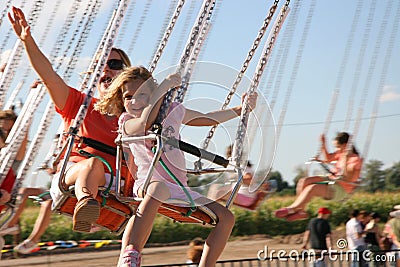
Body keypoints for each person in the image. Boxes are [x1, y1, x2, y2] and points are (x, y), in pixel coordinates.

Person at [94, 66, 257, 267]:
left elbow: (206, 119)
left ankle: (207, 264)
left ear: (153, 95)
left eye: (143, 94)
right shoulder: (127, 122)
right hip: (149, 184)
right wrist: (166, 86)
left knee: (227, 218)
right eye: (128, 97)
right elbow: (145, 123)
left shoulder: (171, 110)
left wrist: (240, 110)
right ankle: (130, 254)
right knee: (158, 188)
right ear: (121, 100)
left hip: (180, 190)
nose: (135, 101)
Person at [8, 6, 132, 234]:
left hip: (115, 184)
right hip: (73, 177)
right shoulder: (79, 103)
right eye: (101, 64)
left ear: (126, 74)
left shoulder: (134, 116)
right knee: (94, 165)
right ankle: (86, 204)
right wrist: (27, 40)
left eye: (114, 64)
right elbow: (49, 75)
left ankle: (93, 208)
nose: (107, 68)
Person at [275, 132, 363, 221]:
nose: (336, 149)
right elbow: (328, 158)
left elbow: (347, 178)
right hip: (332, 179)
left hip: (341, 188)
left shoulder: (355, 160)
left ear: (345, 145)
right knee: (304, 181)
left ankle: (293, 208)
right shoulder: (341, 153)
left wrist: (345, 160)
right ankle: (301, 211)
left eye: (338, 147)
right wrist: (323, 143)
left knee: (312, 188)